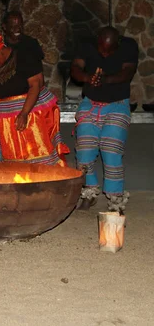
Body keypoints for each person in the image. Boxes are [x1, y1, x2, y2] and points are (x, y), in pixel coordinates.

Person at [0, 31, 68, 166]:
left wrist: (24, 113)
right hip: (7, 121)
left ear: (0, 49)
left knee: (37, 156)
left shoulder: (25, 56)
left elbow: (36, 84)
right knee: (14, 161)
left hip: (33, 114)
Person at [71, 26, 138, 211]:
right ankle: (89, 191)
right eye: (102, 50)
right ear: (97, 41)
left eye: (109, 50)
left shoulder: (129, 46)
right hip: (90, 104)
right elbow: (75, 68)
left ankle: (115, 198)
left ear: (118, 43)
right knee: (84, 150)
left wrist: (104, 80)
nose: (105, 54)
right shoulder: (86, 45)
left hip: (117, 104)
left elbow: (128, 72)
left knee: (111, 150)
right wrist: (87, 77)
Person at [0, 10, 44, 161]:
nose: (17, 28)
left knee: (31, 147)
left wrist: (27, 108)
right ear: (4, 27)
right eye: (12, 25)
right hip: (6, 103)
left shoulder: (30, 44)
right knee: (4, 144)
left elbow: (38, 78)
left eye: (20, 24)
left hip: (28, 97)